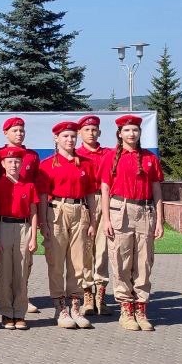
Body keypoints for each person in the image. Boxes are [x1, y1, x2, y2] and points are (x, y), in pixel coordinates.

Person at [100, 115, 166, 332]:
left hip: (145, 211)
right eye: (127, 130)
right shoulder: (111, 157)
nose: (131, 134)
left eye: (135, 130)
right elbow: (105, 189)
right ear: (120, 133)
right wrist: (106, 218)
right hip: (120, 210)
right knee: (121, 259)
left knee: (144, 262)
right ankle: (126, 309)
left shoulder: (150, 158)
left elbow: (157, 190)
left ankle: (141, 308)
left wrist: (159, 219)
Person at [38, 121, 94, 330]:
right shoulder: (47, 164)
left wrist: (93, 221)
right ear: (56, 139)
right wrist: (43, 222)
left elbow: (91, 195)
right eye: (65, 136)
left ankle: (75, 306)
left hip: (81, 211)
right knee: (56, 261)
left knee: (79, 261)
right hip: (57, 211)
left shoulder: (86, 164)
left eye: (72, 136)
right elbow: (43, 196)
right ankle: (60, 307)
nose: (70, 140)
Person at [0, 146, 40, 330]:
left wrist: (33, 236)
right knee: (5, 272)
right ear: (3, 164)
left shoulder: (29, 185)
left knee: (21, 272)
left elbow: (34, 212)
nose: (14, 164)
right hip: (4, 226)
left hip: (24, 228)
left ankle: (19, 312)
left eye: (17, 161)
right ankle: (6, 312)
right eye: (10, 161)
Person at [0, 115, 42, 316]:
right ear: (5, 133)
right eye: (15, 130)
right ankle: (6, 306)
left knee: (24, 264)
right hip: (4, 219)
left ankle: (22, 301)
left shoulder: (32, 156)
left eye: (21, 130)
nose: (19, 133)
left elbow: (35, 188)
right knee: (5, 267)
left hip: (25, 216)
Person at [75, 114, 111, 315]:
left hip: (104, 200)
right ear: (80, 133)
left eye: (94, 129)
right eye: (87, 129)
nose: (91, 132)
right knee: (85, 249)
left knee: (103, 250)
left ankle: (101, 295)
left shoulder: (108, 153)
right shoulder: (76, 154)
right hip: (83, 203)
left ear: (99, 132)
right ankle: (87, 294)